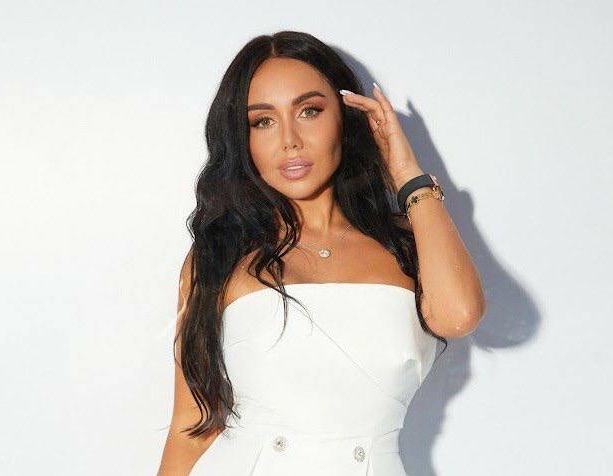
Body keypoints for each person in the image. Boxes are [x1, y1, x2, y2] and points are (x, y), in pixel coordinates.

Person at [157, 30, 485, 475]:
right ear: (242, 138)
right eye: (263, 122)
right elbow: (191, 426)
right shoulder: (219, 256)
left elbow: (459, 315)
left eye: (309, 111)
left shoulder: (406, 244)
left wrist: (407, 173)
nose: (289, 140)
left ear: (345, 119)